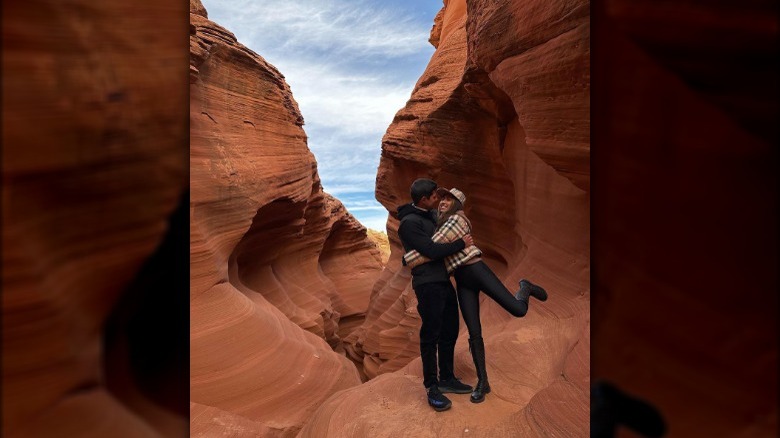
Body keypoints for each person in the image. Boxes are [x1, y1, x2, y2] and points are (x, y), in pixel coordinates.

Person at [403, 187, 548, 403]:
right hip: (462, 280)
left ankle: (525, 287)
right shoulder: (441, 222)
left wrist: (408, 259)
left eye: (449, 199)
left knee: (518, 310)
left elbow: (431, 249)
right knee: (474, 331)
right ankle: (483, 382)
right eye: (441, 198)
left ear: (457, 204)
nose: (443, 201)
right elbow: (433, 244)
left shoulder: (456, 220)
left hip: (476, 271)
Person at [397, 178, 475, 412]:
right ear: (423, 199)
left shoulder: (430, 217)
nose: (438, 200)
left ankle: (447, 378)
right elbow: (430, 250)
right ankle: (432, 387)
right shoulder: (409, 224)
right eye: (434, 196)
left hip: (442, 280)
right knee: (431, 334)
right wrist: (462, 243)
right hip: (427, 284)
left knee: (450, 329)